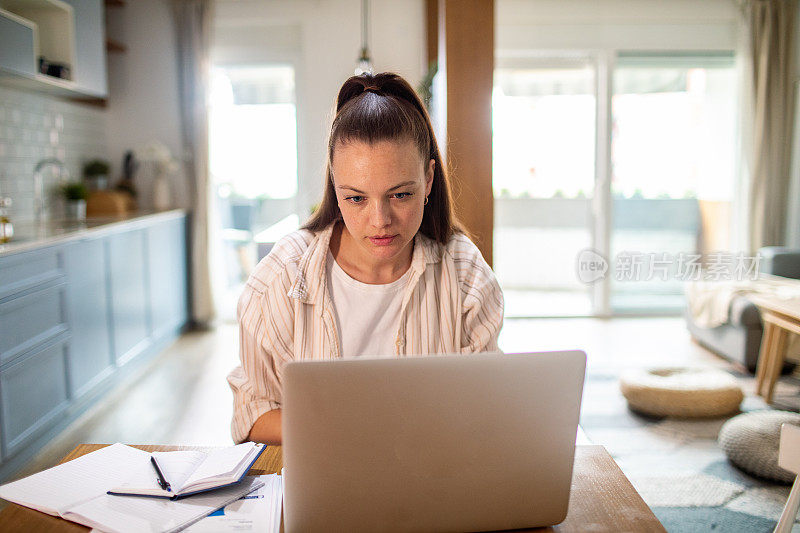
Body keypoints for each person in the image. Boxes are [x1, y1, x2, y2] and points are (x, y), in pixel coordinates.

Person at [227, 72, 504, 444]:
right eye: (356, 198)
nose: (380, 221)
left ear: (429, 179)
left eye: (401, 195)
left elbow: (487, 406)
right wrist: (356, 431)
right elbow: (252, 415)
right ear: (334, 185)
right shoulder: (282, 278)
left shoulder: (465, 275)